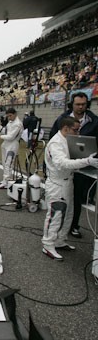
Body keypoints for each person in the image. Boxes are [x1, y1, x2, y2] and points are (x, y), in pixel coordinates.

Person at [42, 116, 98, 260]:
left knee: (68, 214)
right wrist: (87, 161)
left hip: (68, 181)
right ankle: (48, 244)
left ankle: (60, 240)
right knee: (56, 214)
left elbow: (72, 161)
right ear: (66, 128)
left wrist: (86, 161)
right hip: (56, 184)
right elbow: (62, 163)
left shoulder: (68, 141)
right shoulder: (56, 143)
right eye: (75, 130)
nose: (78, 133)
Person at [49, 91, 98, 239]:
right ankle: (54, 232)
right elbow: (53, 139)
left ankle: (73, 226)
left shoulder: (94, 121)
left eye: (83, 104)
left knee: (76, 198)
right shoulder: (62, 119)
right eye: (77, 104)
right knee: (61, 200)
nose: (80, 107)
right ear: (72, 104)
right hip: (64, 165)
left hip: (84, 166)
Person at [0, 107, 24, 188]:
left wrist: (0, 137)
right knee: (4, 163)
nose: (9, 118)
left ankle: (6, 181)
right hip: (5, 144)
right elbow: (5, 131)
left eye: (10, 116)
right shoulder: (10, 122)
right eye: (8, 116)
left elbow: (11, 136)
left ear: (15, 114)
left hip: (12, 145)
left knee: (8, 163)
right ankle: (5, 180)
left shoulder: (18, 124)